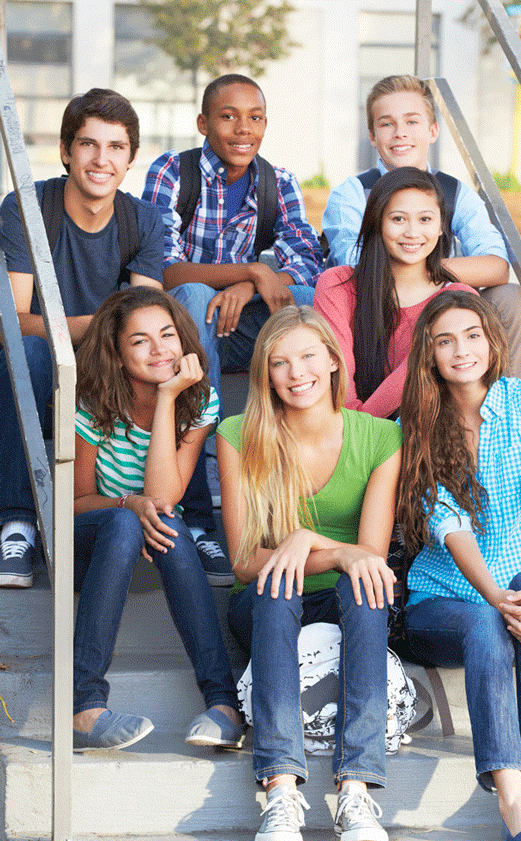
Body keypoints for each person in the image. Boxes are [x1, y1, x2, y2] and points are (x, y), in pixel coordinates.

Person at [217, 305, 402, 841]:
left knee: (368, 589)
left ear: (332, 360)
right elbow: (246, 561)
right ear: (264, 373)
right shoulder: (238, 434)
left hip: (345, 598)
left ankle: (357, 785)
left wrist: (307, 540)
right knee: (277, 587)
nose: (296, 373)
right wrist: (317, 551)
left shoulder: (380, 439)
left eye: (307, 356)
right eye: (279, 362)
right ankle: (279, 787)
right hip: (265, 601)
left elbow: (368, 556)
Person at [397, 289, 521, 841]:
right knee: (496, 618)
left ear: (493, 341)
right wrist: (495, 596)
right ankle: (511, 794)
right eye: (445, 341)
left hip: (519, 582)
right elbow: (448, 523)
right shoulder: (417, 421)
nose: (461, 350)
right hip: (442, 597)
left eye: (471, 335)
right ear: (430, 355)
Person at [142, 73, 323, 566]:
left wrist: (251, 285)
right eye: (228, 116)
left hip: (237, 327)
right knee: (197, 292)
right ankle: (206, 461)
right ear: (203, 123)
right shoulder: (173, 173)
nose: (244, 129)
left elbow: (307, 255)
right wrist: (248, 270)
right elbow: (162, 265)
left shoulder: (277, 180)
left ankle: (305, 457)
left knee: (311, 297)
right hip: (184, 331)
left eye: (256, 117)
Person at [0, 88, 164, 588]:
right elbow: (14, 321)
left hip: (111, 368)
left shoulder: (143, 221)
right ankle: (17, 522)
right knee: (24, 352)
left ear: (131, 158)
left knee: (165, 357)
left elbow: (147, 325)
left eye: (116, 147)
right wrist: (94, 326)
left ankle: (186, 516)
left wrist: (108, 334)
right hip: (49, 359)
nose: (101, 159)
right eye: (88, 144)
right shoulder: (28, 207)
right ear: (67, 151)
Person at [72, 286, 243, 752]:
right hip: (91, 540)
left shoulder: (197, 400)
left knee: (166, 521)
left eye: (167, 334)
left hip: (157, 539)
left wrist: (168, 399)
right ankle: (85, 707)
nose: (159, 349)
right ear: (116, 351)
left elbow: (165, 496)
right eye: (140, 341)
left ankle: (223, 706)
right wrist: (129, 505)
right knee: (130, 522)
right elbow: (75, 503)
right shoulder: (91, 401)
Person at [321, 74, 521, 389]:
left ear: (433, 130)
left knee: (509, 297)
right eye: (387, 124)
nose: (400, 133)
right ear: (372, 136)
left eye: (412, 122)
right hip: (376, 315)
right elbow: (356, 267)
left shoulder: (454, 193)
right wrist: (424, 277)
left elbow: (495, 265)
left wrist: (426, 273)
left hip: (442, 308)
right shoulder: (353, 194)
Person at [315, 166, 476, 419]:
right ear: (377, 222)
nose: (412, 232)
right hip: (343, 430)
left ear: (441, 227)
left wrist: (362, 429)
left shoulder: (457, 299)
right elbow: (336, 375)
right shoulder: (337, 285)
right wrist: (356, 433)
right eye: (398, 219)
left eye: (425, 219)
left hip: (424, 435)